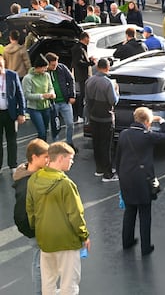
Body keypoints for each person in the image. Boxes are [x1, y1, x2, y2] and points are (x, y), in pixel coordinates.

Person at [26, 142, 89, 295]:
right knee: (69, 284)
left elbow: (30, 209)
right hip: (66, 241)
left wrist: (38, 229)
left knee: (48, 282)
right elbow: (75, 214)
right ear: (60, 158)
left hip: (45, 240)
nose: (72, 162)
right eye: (70, 158)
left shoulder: (34, 179)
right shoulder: (66, 184)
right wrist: (84, 235)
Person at [116, 107, 165, 256]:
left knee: (129, 211)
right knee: (145, 213)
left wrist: (121, 177)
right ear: (147, 122)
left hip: (126, 178)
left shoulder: (123, 134)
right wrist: (161, 120)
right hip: (143, 180)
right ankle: (145, 247)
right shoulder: (148, 136)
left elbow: (118, 158)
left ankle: (127, 242)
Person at [13, 139, 49, 294]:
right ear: (34, 157)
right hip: (38, 231)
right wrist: (34, 231)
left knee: (41, 263)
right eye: (45, 157)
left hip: (39, 229)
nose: (48, 160)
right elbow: (21, 215)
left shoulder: (28, 175)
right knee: (40, 265)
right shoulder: (28, 184)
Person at [85, 58, 119, 182]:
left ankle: (99, 169)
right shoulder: (108, 82)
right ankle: (108, 174)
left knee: (97, 144)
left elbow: (87, 100)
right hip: (106, 118)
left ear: (98, 67)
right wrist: (117, 91)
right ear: (107, 67)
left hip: (93, 117)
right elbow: (113, 101)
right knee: (106, 146)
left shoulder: (89, 80)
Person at [0, 56, 26, 174]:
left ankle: (13, 165)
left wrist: (22, 113)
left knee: (12, 140)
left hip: (10, 113)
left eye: (0, 65)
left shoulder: (12, 75)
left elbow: (20, 95)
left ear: (4, 63)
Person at [45, 53, 76, 148]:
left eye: (56, 64)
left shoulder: (62, 68)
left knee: (70, 123)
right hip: (52, 103)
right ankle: (56, 145)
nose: (55, 66)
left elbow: (71, 80)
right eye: (53, 65)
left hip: (64, 101)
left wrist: (72, 95)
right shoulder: (44, 72)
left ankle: (69, 142)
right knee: (54, 126)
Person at [23, 55, 55, 141]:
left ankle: (42, 146)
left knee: (45, 131)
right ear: (38, 67)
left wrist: (52, 93)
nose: (45, 70)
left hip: (46, 107)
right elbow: (27, 95)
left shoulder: (47, 75)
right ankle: (40, 147)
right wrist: (41, 96)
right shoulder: (28, 78)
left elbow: (50, 87)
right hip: (34, 109)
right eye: (44, 68)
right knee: (41, 132)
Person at [71, 32, 95, 123]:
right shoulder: (79, 48)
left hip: (83, 75)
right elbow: (79, 62)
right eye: (89, 39)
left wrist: (89, 60)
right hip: (82, 75)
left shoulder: (80, 48)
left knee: (84, 94)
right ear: (85, 38)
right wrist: (91, 63)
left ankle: (81, 114)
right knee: (83, 95)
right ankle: (80, 114)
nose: (89, 41)